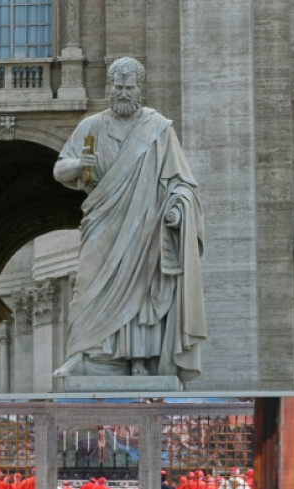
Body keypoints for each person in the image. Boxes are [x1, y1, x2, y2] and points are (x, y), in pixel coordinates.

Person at [52, 56, 206, 383]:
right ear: (111, 87)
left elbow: (183, 182)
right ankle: (79, 355)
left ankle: (139, 358)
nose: (123, 93)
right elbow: (59, 169)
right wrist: (80, 165)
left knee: (142, 290)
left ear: (140, 89)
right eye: (118, 87)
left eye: (129, 87)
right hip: (103, 220)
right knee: (88, 287)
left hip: (145, 225)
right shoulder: (91, 126)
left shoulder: (157, 128)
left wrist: (178, 206)